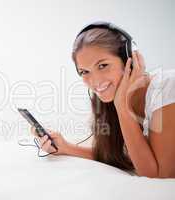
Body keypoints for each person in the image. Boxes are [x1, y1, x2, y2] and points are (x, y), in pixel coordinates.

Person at [31, 22, 175, 178]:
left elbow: (157, 175)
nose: (95, 81)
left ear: (130, 59)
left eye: (103, 65)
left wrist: (122, 107)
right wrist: (66, 147)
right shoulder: (112, 99)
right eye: (84, 71)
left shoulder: (166, 88)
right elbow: (122, 157)